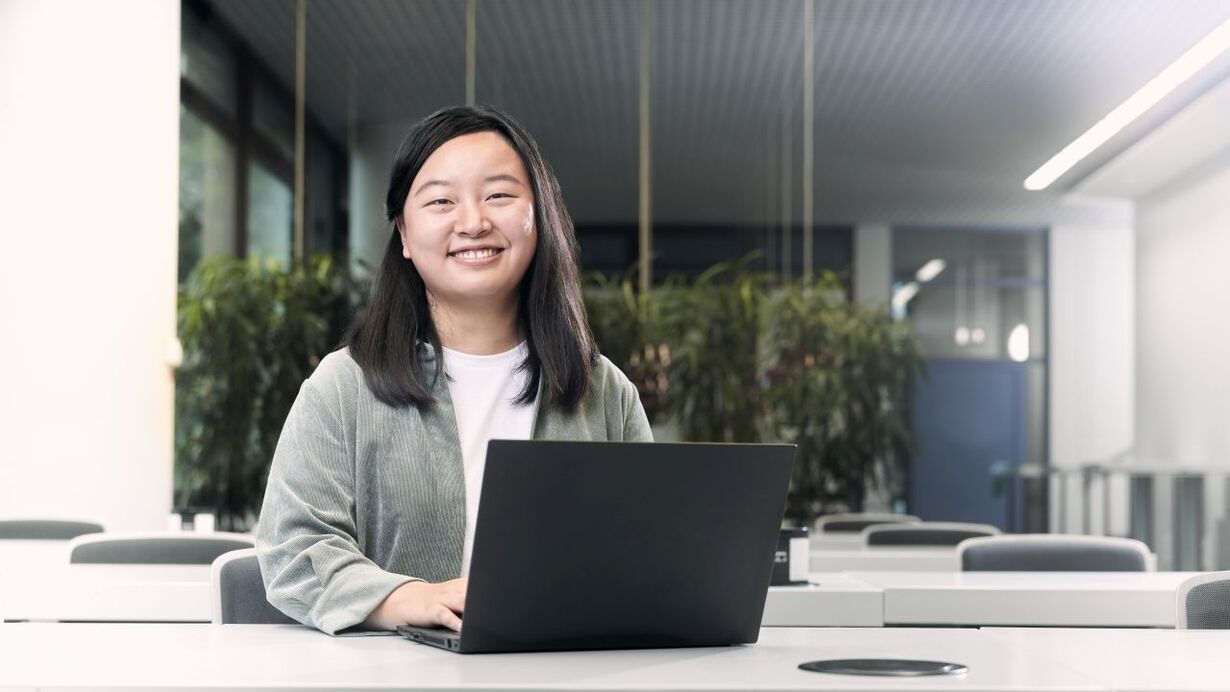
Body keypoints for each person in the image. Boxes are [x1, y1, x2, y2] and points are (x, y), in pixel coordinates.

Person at [255, 105, 653, 635]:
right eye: (442, 200)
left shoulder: (604, 392)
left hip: (562, 670)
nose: (473, 222)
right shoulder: (344, 385)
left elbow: (651, 553)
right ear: (403, 232)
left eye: (499, 195)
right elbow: (293, 549)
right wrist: (402, 598)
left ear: (540, 217)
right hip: (393, 677)